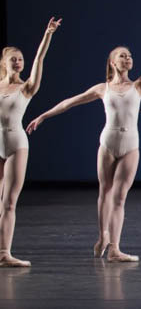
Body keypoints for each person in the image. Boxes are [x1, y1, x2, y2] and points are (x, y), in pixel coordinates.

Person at [28, 25, 141, 261]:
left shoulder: (138, 86)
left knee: (119, 197)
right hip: (107, 143)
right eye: (122, 56)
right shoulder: (102, 88)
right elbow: (70, 102)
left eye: (129, 56)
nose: (127, 58)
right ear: (112, 63)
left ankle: (115, 248)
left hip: (130, 145)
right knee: (104, 192)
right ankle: (102, 236)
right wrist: (43, 116)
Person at [0, 16, 61, 266]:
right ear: (3, 63)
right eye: (13, 59)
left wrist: (48, 35)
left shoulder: (26, 88)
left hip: (16, 144)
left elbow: (39, 60)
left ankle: (4, 254)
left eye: (20, 59)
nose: (18, 62)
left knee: (9, 202)